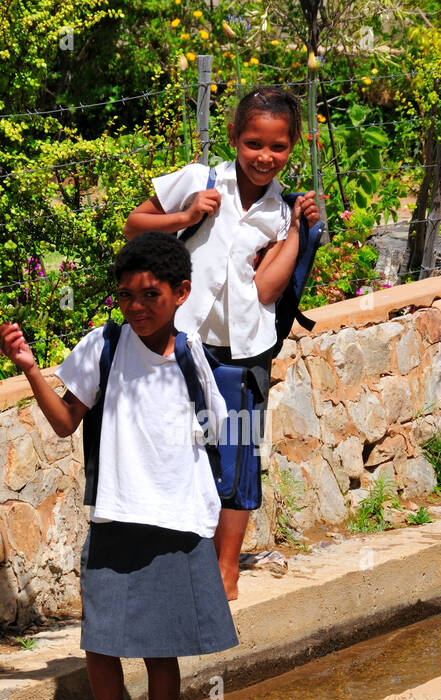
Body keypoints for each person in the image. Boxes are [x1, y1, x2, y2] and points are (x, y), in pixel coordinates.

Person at [0, 232, 237, 700]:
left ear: (180, 293)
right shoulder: (102, 346)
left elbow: (216, 431)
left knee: (159, 647)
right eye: (126, 295)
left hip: (173, 518)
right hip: (114, 515)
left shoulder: (192, 355)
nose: (136, 306)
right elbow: (64, 421)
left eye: (150, 295)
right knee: (100, 645)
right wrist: (30, 368)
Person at [124, 86, 321, 600]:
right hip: (184, 345)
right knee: (177, 449)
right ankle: (170, 564)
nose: (264, 156)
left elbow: (266, 290)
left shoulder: (282, 210)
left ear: (292, 147)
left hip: (244, 351)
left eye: (277, 147)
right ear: (234, 137)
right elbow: (134, 226)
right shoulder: (200, 180)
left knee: (238, 452)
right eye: (254, 142)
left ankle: (226, 571)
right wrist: (186, 218)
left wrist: (297, 232)